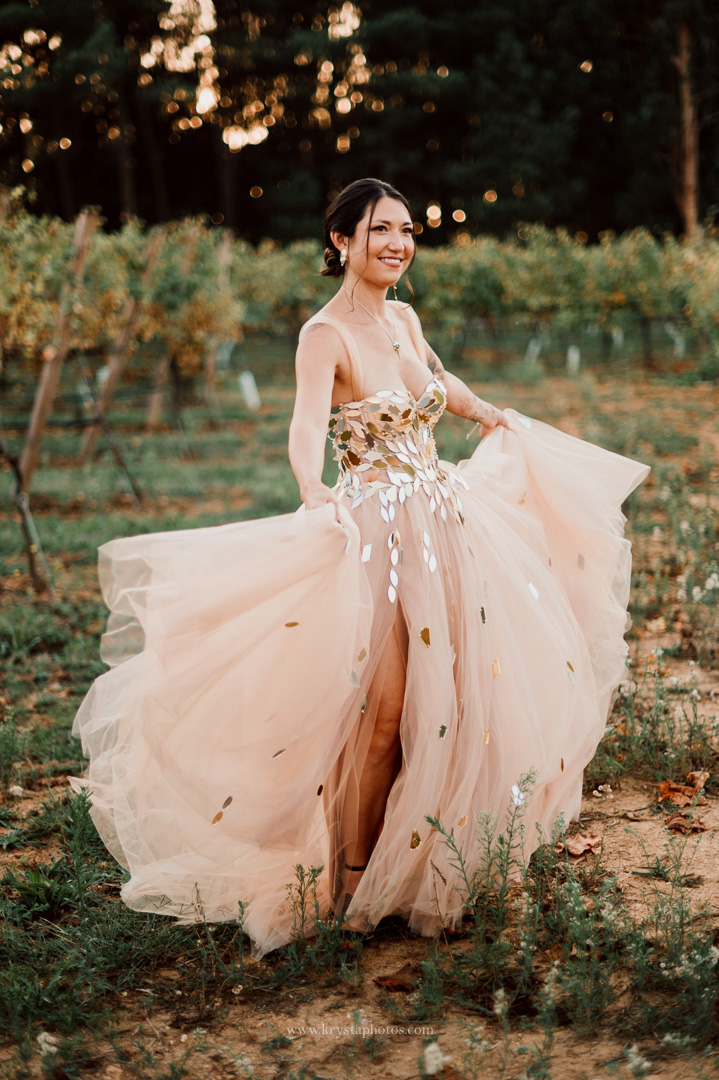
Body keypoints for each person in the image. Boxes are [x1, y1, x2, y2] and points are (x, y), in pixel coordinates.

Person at [70, 178, 650, 957]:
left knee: (448, 701)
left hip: (446, 524)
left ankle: (410, 872)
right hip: (377, 533)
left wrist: (489, 416)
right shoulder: (324, 334)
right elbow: (307, 421)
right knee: (379, 713)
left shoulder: (405, 317)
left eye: (407, 230)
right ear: (341, 239)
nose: (398, 244)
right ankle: (348, 884)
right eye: (380, 229)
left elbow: (437, 383)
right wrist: (311, 488)